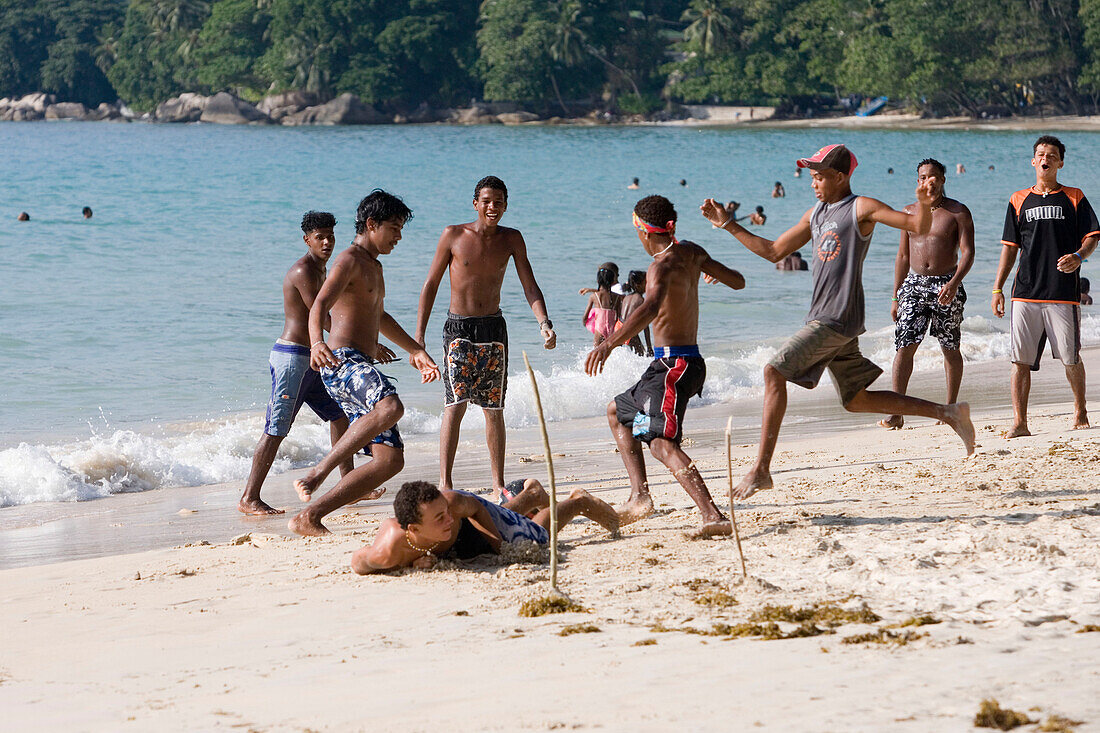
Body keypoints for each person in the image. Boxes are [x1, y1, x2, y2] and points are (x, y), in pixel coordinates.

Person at [700, 143, 975, 500]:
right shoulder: (815, 213)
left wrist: (923, 202)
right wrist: (728, 225)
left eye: (819, 177)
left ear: (841, 176)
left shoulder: (861, 207)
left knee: (772, 372)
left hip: (837, 317)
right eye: (811, 176)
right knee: (856, 400)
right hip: (826, 316)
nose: (813, 183)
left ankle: (761, 470)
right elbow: (773, 252)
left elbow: (913, 225)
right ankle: (949, 412)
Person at [585, 195, 746, 536]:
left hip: (677, 363)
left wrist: (610, 344)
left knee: (661, 444)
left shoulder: (660, 266)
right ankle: (639, 496)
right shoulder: (691, 252)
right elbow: (737, 280)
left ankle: (712, 516)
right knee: (617, 411)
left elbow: (652, 306)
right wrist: (708, 273)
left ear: (643, 233)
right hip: (673, 364)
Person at [288, 190, 440, 536]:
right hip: (342, 361)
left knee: (390, 460)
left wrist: (416, 351)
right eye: (394, 228)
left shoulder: (374, 265)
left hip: (361, 362)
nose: (399, 236)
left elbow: (379, 315)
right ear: (371, 225)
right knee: (390, 406)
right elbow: (319, 305)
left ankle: (310, 516)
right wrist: (316, 343)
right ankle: (318, 472)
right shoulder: (349, 259)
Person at [415, 176, 557, 496]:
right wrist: (419, 338)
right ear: (476, 203)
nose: (492, 207)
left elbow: (529, 285)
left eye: (499, 202)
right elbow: (430, 286)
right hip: (458, 329)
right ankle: (445, 483)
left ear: (506, 205)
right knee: (456, 404)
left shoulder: (512, 239)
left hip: (493, 330)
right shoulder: (453, 235)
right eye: (487, 201)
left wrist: (544, 322)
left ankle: (497, 483)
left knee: (493, 408)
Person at [239, 211, 362, 516]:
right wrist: (364, 342)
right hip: (293, 359)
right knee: (277, 428)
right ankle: (249, 497)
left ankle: (349, 485)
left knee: (340, 416)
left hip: (313, 360)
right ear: (306, 239)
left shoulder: (323, 270)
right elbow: (322, 318)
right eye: (319, 237)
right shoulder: (303, 272)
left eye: (330, 236)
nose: (327, 242)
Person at [992, 135, 1099, 437]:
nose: (1046, 158)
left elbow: (1092, 236)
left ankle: (1080, 412)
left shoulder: (1075, 197)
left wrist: (1079, 256)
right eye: (1041, 154)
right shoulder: (1017, 199)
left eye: (1052, 155)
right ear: (1033, 161)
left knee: (1071, 357)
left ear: (1060, 162)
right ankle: (1020, 422)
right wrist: (997, 288)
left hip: (1063, 293)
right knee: (1019, 360)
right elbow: (1010, 248)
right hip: (1025, 292)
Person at [879, 159, 975, 430]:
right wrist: (896, 295)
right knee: (904, 346)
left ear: (943, 179)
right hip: (914, 285)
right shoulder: (909, 213)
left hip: (948, 284)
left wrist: (955, 283)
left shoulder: (958, 212)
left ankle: (950, 409)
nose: (928, 181)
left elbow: (968, 252)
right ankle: (896, 411)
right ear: (918, 181)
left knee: (950, 346)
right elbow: (902, 256)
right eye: (922, 177)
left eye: (933, 176)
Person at [350, 479, 619, 573]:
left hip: (475, 514)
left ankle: (576, 502)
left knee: (535, 540)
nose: (448, 518)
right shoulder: (386, 552)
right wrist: (410, 562)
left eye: (445, 513)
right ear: (413, 530)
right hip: (454, 544)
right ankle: (531, 496)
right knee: (492, 536)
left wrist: (499, 545)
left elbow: (478, 509)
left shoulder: (451, 504)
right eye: (439, 518)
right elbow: (358, 563)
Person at [583, 262, 621, 346]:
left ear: (598, 280)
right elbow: (619, 316)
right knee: (612, 352)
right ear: (612, 281)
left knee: (597, 352)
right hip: (613, 329)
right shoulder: (617, 297)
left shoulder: (594, 296)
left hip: (599, 330)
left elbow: (585, 317)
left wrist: (587, 323)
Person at [619, 269, 653, 356]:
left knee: (623, 353)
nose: (647, 285)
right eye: (645, 282)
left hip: (619, 327)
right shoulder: (641, 300)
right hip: (629, 329)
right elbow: (645, 326)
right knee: (640, 354)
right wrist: (649, 348)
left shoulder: (626, 297)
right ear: (638, 285)